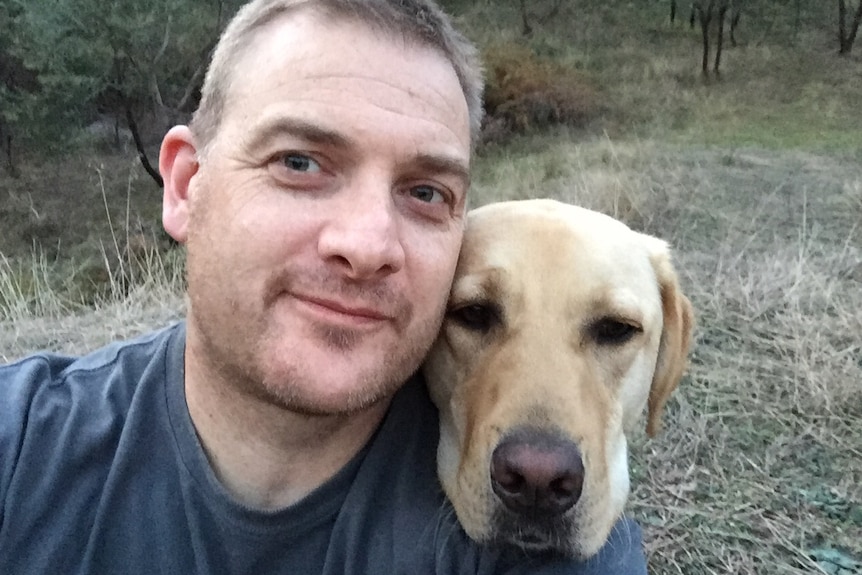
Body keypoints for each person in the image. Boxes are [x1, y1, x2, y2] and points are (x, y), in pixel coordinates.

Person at [0, 1, 648, 573]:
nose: (367, 245)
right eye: (300, 162)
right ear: (184, 185)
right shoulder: (20, 442)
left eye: (425, 192)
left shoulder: (510, 510)